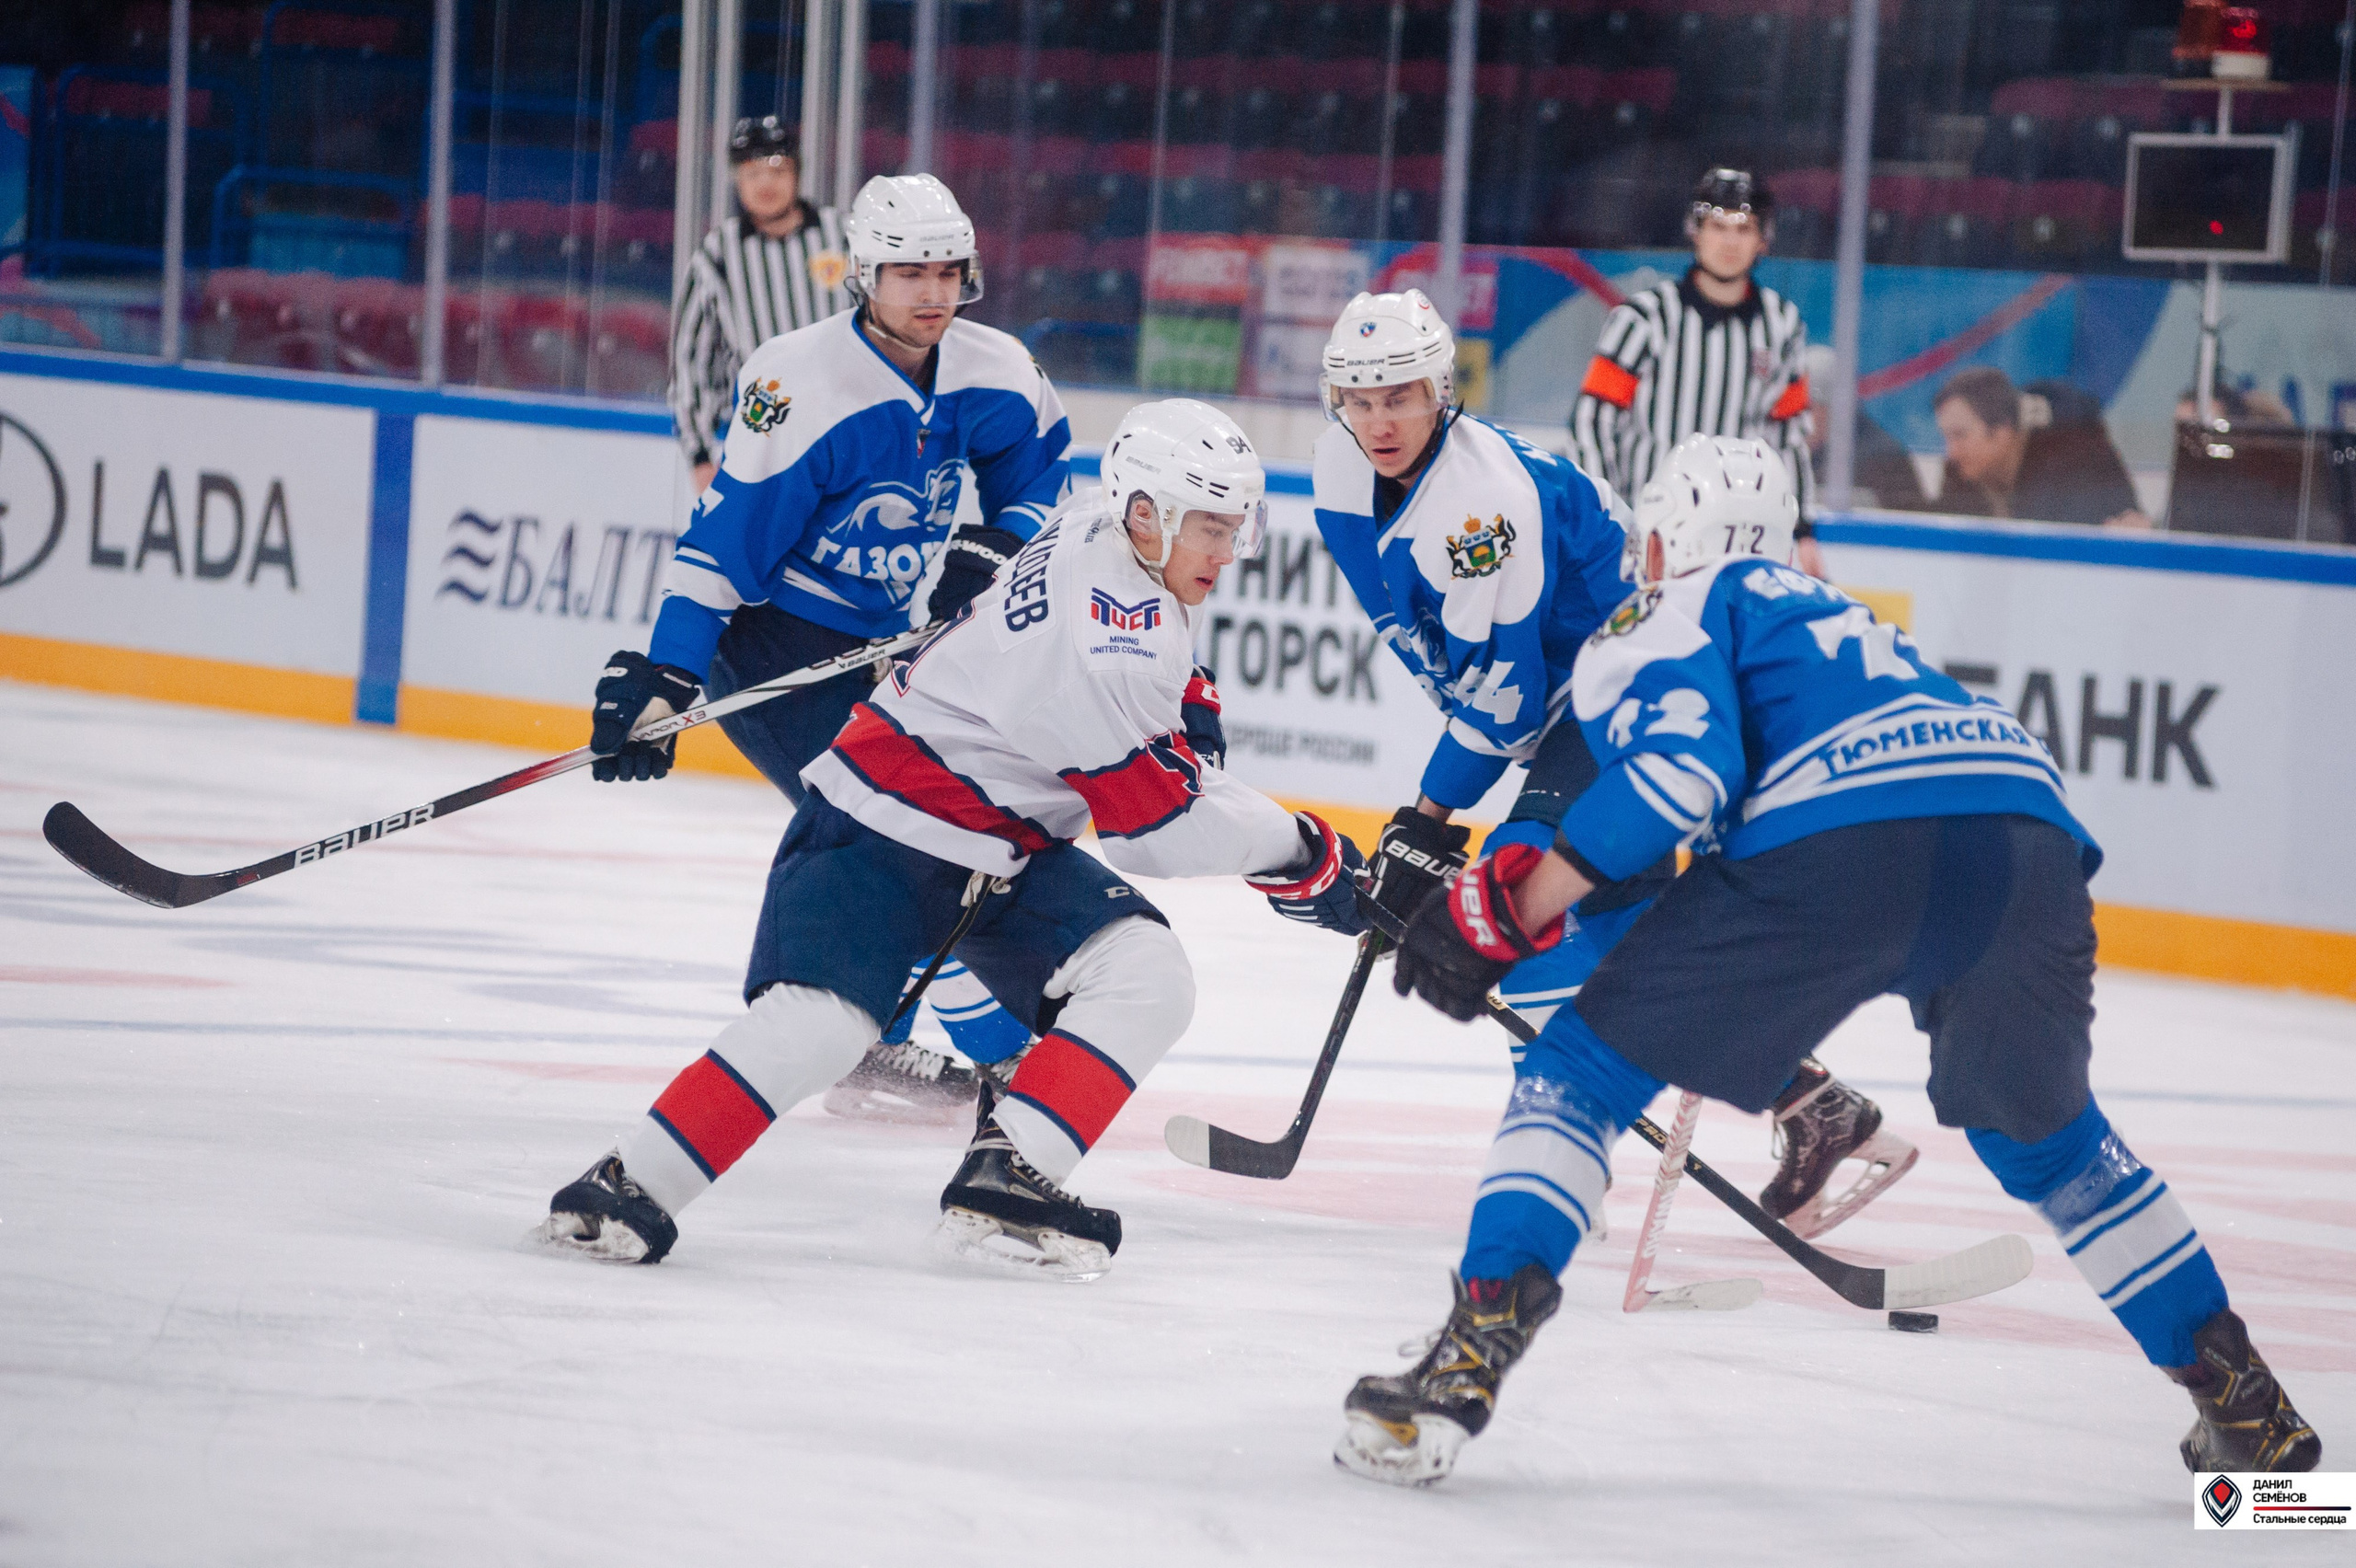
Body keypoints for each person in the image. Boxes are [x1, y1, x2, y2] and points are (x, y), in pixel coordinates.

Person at [1341, 433, 2322, 1485]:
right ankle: (2249, 1415)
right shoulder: (1847, 620)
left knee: (1573, 1075)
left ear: (1658, 543)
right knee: (2050, 1143)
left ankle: (1461, 1369)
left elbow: (1682, 771)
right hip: (2022, 840)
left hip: (1833, 846)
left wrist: (1503, 908)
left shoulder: (1665, 605)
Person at [537, 401, 1368, 1280]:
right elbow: (1154, 828)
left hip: (999, 852)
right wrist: (1310, 857)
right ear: (1147, 514)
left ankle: (1013, 1171)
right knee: (825, 1025)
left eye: (1236, 527)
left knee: (1142, 972)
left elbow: (1169, 700)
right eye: (1211, 527)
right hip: (883, 828)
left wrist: (1196, 736)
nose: (1228, 550)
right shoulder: (1110, 635)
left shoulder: (1108, 534)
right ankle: (628, 1186)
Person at [1312, 293, 1912, 1245]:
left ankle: (1559, 1151)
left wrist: (1428, 819)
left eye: (1401, 395)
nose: (1378, 419)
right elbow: (1451, 660)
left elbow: (1507, 698)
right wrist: (1428, 820)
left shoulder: (1484, 507)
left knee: (1518, 899)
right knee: (1622, 937)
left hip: (1617, 694)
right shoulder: (1343, 470)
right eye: (1358, 398)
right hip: (1578, 702)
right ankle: (1809, 1102)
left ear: (1441, 393)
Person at [594, 172, 1069, 1122]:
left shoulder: (995, 369)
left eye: (948, 272)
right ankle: (932, 1051)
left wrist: (995, 545)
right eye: (908, 273)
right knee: (895, 829)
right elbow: (724, 545)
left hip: (885, 649)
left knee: (936, 823)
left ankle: (908, 1046)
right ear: (863, 274)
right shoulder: (798, 381)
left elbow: (1044, 476)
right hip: (773, 645)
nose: (932, 293)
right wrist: (668, 673)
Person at [1570, 167, 1818, 536]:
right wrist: (1607, 518)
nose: (1730, 243)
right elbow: (1593, 422)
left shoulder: (1782, 325)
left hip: (1741, 532)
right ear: (1695, 232)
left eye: (1744, 229)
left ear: (1763, 240)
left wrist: (1801, 530)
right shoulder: (1644, 319)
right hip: (1645, 527)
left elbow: (1788, 437)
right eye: (1718, 227)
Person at [670, 116, 855, 493]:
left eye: (776, 168)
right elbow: (693, 362)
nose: (765, 183)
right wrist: (700, 456)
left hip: (851, 430)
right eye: (752, 171)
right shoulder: (719, 253)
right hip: (764, 441)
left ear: (797, 173)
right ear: (737, 180)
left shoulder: (845, 235)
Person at [1932, 366, 2150, 529]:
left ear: (2002, 431)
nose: (1951, 451)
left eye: (1959, 435)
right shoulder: (1958, 472)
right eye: (1947, 437)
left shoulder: (2073, 471)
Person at [1803, 343, 1928, 519]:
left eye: (1807, 409)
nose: (1797, 421)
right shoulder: (1804, 453)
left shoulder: (1881, 461)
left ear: (1837, 409)